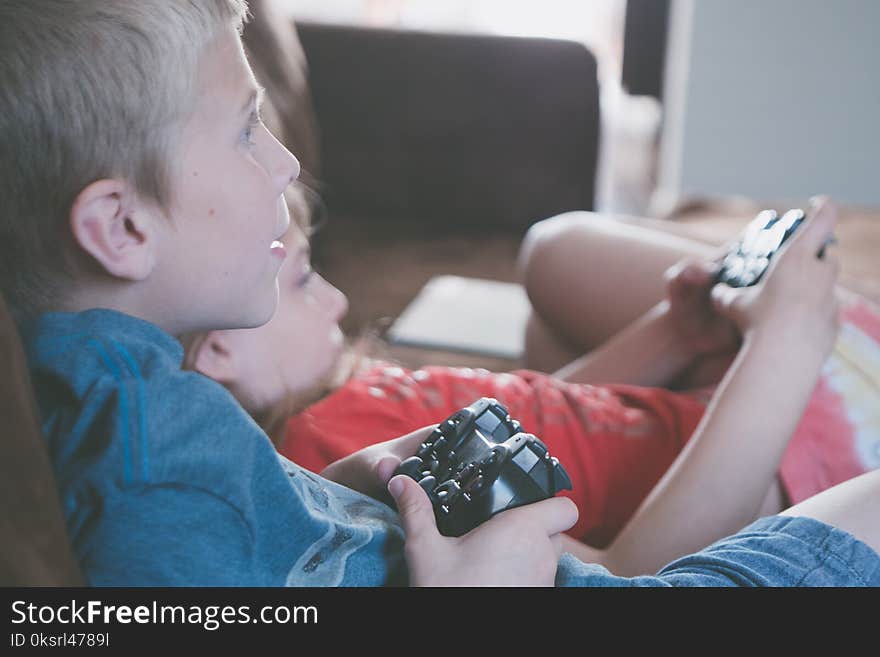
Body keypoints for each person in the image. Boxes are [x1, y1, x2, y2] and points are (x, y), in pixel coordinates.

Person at [3, 0, 878, 586]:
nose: (284, 160)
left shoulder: (135, 399)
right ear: (121, 229)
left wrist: (345, 488)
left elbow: (276, 548)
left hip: (593, 508)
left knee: (556, 269)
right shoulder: (154, 468)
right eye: (243, 130)